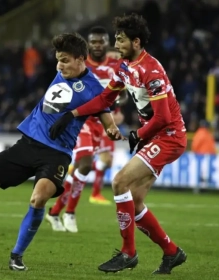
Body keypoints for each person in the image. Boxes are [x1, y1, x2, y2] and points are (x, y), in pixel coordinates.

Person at [0, 33, 121, 271]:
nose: (59, 65)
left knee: (38, 198)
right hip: (27, 144)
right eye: (58, 60)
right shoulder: (63, 72)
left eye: (64, 60)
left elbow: (107, 117)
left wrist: (114, 131)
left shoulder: (94, 88)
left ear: (80, 59)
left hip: (57, 154)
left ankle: (17, 255)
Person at [49, 14, 187, 274]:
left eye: (121, 39)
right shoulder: (125, 67)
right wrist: (72, 114)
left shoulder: (151, 69)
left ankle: (128, 253)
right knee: (133, 201)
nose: (116, 43)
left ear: (136, 42)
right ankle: (171, 252)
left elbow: (164, 117)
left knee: (119, 181)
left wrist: (138, 134)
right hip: (156, 136)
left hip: (169, 136)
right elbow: (104, 99)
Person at [45, 26, 125, 233]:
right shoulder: (79, 63)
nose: (97, 45)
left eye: (101, 42)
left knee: (80, 171)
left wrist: (116, 110)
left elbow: (120, 94)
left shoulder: (115, 66)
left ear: (106, 43)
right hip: (80, 121)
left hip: (99, 123)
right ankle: (70, 212)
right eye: (94, 42)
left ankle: (54, 211)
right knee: (87, 164)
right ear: (88, 45)